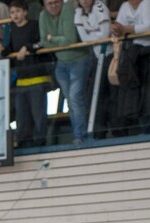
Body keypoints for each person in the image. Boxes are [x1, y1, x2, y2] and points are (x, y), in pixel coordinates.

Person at [0, 0, 51, 148]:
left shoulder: (34, 25)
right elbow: (9, 49)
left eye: (18, 11)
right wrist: (1, 49)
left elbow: (41, 43)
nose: (15, 15)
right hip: (21, 79)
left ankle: (40, 141)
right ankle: (23, 141)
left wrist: (27, 47)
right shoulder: (11, 30)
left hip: (38, 77)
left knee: (38, 114)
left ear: (25, 12)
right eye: (12, 12)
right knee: (21, 115)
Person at [39, 0, 92, 145]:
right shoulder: (43, 15)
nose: (53, 6)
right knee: (71, 101)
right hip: (61, 63)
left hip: (78, 60)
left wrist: (52, 38)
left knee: (75, 98)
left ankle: (81, 136)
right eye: (49, 3)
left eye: (56, 2)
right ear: (44, 5)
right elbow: (44, 42)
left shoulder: (68, 8)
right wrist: (55, 40)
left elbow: (70, 39)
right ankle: (79, 134)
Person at [74, 0, 111, 138]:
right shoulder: (78, 13)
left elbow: (105, 33)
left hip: (110, 55)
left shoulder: (99, 6)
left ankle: (117, 131)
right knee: (96, 96)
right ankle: (99, 133)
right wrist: (96, 35)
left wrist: (93, 36)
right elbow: (85, 39)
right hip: (97, 57)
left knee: (108, 94)